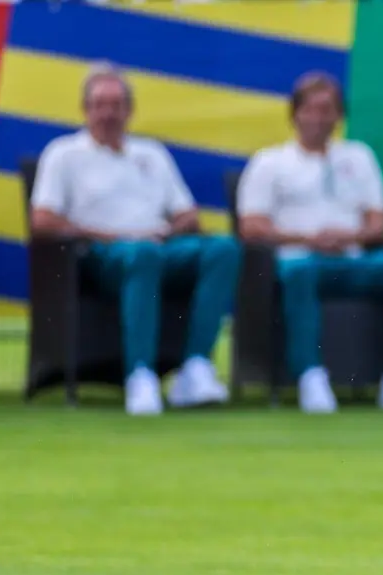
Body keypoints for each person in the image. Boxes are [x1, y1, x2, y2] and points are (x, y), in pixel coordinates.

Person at [30, 63, 240, 416]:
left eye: (116, 104)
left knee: (223, 249)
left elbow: (186, 213)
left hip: (159, 246)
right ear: (86, 109)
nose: (108, 113)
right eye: (100, 104)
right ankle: (139, 375)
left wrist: (170, 230)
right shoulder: (63, 154)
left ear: (129, 110)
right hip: (101, 255)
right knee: (142, 253)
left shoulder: (151, 154)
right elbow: (43, 219)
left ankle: (195, 368)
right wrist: (114, 235)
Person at [236, 71, 383, 414]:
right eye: (312, 109)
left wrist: (346, 237)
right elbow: (252, 226)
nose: (319, 118)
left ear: (338, 115)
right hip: (299, 261)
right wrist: (309, 239)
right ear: (295, 114)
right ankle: (310, 376)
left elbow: (379, 225)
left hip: (353, 260)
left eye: (328, 110)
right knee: (299, 272)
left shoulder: (358, 157)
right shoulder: (269, 162)